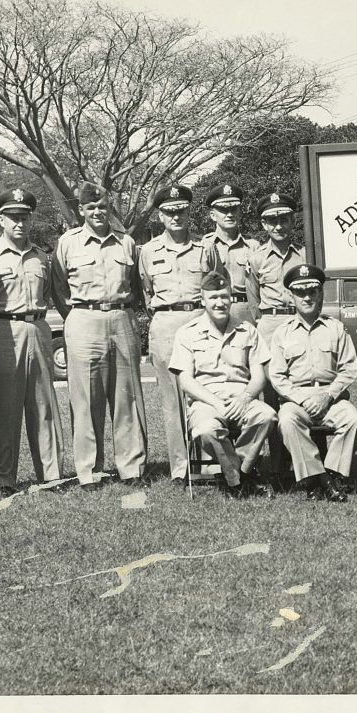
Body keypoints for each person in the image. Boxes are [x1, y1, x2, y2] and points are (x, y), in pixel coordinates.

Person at [51, 181, 148, 489]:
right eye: (90, 207)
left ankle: (131, 467)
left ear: (110, 209)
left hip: (121, 318)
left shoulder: (126, 242)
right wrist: (80, 318)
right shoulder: (68, 243)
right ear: (81, 210)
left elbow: (134, 286)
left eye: (102, 207)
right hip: (84, 319)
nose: (97, 212)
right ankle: (89, 471)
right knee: (86, 399)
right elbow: (58, 288)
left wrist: (118, 312)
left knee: (126, 397)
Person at [0, 187, 64, 497]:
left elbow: (49, 294)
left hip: (38, 328)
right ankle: (3, 480)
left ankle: (50, 476)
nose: (19, 224)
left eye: (24, 217)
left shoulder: (41, 256)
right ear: (1, 219)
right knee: (4, 409)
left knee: (44, 407)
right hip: (3, 332)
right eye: (13, 217)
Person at [168, 271, 276, 497]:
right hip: (206, 402)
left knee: (267, 416)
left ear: (231, 298)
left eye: (224, 296)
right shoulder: (188, 333)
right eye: (213, 297)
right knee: (206, 430)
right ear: (203, 300)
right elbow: (185, 379)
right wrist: (216, 402)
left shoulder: (247, 331)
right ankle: (239, 480)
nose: (220, 302)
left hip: (241, 399)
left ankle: (239, 474)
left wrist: (245, 398)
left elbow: (259, 375)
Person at [268, 264, 357, 502]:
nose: (307, 297)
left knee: (355, 422)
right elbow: (278, 377)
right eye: (301, 293)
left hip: (331, 397)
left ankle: (330, 473)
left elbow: (349, 368)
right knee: (288, 421)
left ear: (321, 293)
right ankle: (318, 479)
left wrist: (327, 396)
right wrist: (303, 399)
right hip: (296, 399)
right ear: (292, 296)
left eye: (313, 291)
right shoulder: (282, 333)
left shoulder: (336, 328)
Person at [138, 183, 207, 489]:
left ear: (189, 212)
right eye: (169, 212)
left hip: (199, 322)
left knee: (203, 394)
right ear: (160, 216)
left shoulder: (206, 248)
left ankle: (207, 463)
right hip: (165, 324)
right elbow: (144, 291)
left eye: (181, 211)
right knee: (172, 401)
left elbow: (217, 284)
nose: (176, 217)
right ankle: (181, 468)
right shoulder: (148, 251)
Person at [247, 192, 305, 344]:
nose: (278, 227)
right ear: (264, 224)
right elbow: (252, 297)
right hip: (269, 324)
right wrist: (261, 322)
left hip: (299, 319)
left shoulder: (305, 255)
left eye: (284, 220)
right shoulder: (256, 259)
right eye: (272, 221)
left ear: (292, 221)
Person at [199, 183, 258, 325]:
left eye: (234, 209)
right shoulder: (204, 245)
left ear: (240, 212)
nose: (229, 214)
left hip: (245, 310)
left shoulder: (253, 246)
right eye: (223, 210)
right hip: (214, 309)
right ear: (213, 215)